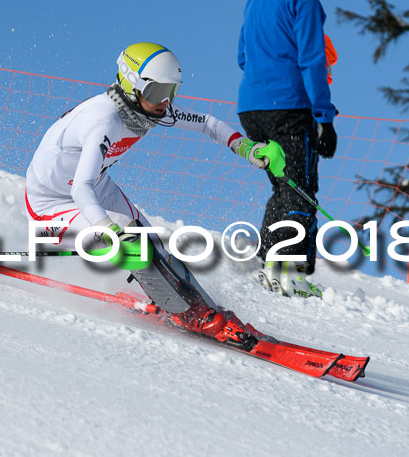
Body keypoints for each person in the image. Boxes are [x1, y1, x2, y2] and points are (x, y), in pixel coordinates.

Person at [25, 42, 285, 347]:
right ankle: (187, 314)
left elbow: (208, 124)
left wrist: (246, 147)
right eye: (156, 92)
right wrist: (110, 230)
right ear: (132, 87)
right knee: (130, 246)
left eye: (170, 91)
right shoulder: (104, 119)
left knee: (156, 246)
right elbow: (79, 187)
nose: (164, 101)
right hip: (51, 203)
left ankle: (206, 311)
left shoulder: (146, 109)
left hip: (96, 186)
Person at [237, 0, 338, 298]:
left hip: (251, 107)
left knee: (286, 187)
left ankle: (269, 264)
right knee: (301, 192)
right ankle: (290, 274)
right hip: (290, 106)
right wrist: (325, 117)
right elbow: (312, 57)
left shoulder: (255, 1)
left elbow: (242, 57)